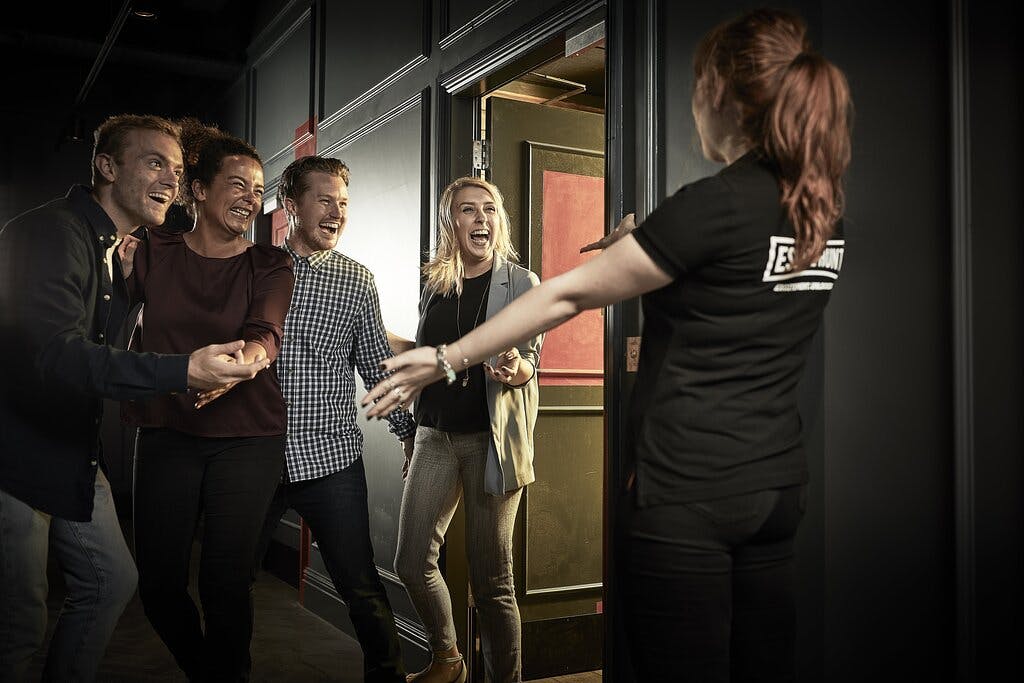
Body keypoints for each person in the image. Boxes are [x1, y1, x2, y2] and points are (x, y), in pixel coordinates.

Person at [366, 9, 852, 682]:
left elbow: (567, 295)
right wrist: (647, 240)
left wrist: (447, 357)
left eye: (694, 88)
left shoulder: (713, 204)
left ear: (719, 94)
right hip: (773, 490)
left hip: (688, 494)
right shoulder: (817, 207)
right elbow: (733, 286)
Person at [0, 114, 269, 683]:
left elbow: (101, 340)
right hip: (17, 455)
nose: (170, 180)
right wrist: (182, 371)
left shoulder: (112, 248)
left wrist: (122, 294)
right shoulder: (50, 232)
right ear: (106, 166)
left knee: (110, 583)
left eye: (176, 169)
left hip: (71, 453)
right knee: (20, 623)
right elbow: (55, 354)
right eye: (154, 163)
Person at [121, 119, 294, 681]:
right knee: (159, 583)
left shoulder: (268, 262)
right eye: (238, 184)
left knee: (225, 584)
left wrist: (242, 367)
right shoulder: (151, 251)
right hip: (167, 431)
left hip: (248, 438)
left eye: (258, 188)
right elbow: (112, 313)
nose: (251, 198)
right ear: (197, 189)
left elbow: (264, 333)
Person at [242, 155, 415, 683]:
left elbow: (372, 366)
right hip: (253, 457)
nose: (337, 211)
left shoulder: (357, 281)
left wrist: (410, 437)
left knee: (360, 585)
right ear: (290, 206)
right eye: (325, 200)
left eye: (343, 202)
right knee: (230, 583)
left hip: (331, 460)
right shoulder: (253, 269)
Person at [391, 177, 542, 683]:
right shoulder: (436, 285)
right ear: (449, 223)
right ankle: (448, 658)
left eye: (489, 210)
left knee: (492, 580)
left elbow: (530, 365)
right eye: (468, 211)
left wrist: (515, 366)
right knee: (411, 561)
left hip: (490, 442)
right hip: (434, 435)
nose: (481, 219)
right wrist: (413, 434)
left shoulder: (521, 283)